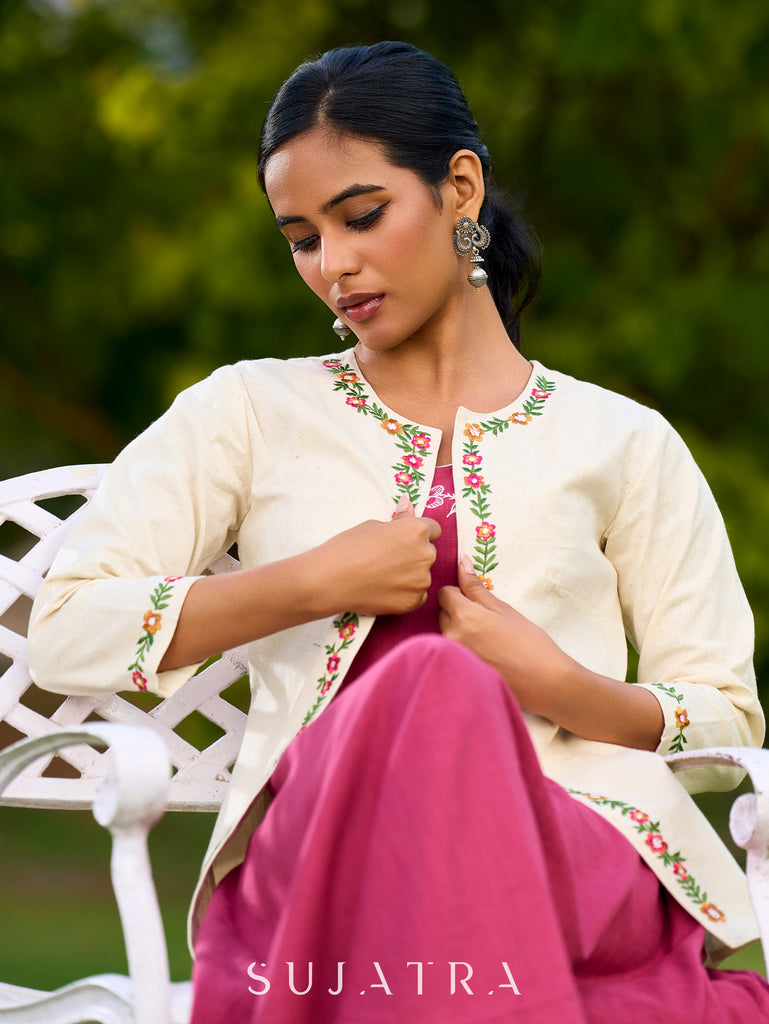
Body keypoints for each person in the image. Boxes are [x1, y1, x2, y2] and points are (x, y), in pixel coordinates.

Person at [28, 41, 769, 1022]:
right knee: (430, 683)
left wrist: (563, 687)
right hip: (323, 855)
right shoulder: (246, 411)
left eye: (362, 216)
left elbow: (727, 722)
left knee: (446, 687)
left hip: (575, 852)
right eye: (300, 237)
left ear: (459, 185)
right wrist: (308, 582)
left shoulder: (624, 444)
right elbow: (67, 626)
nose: (333, 264)